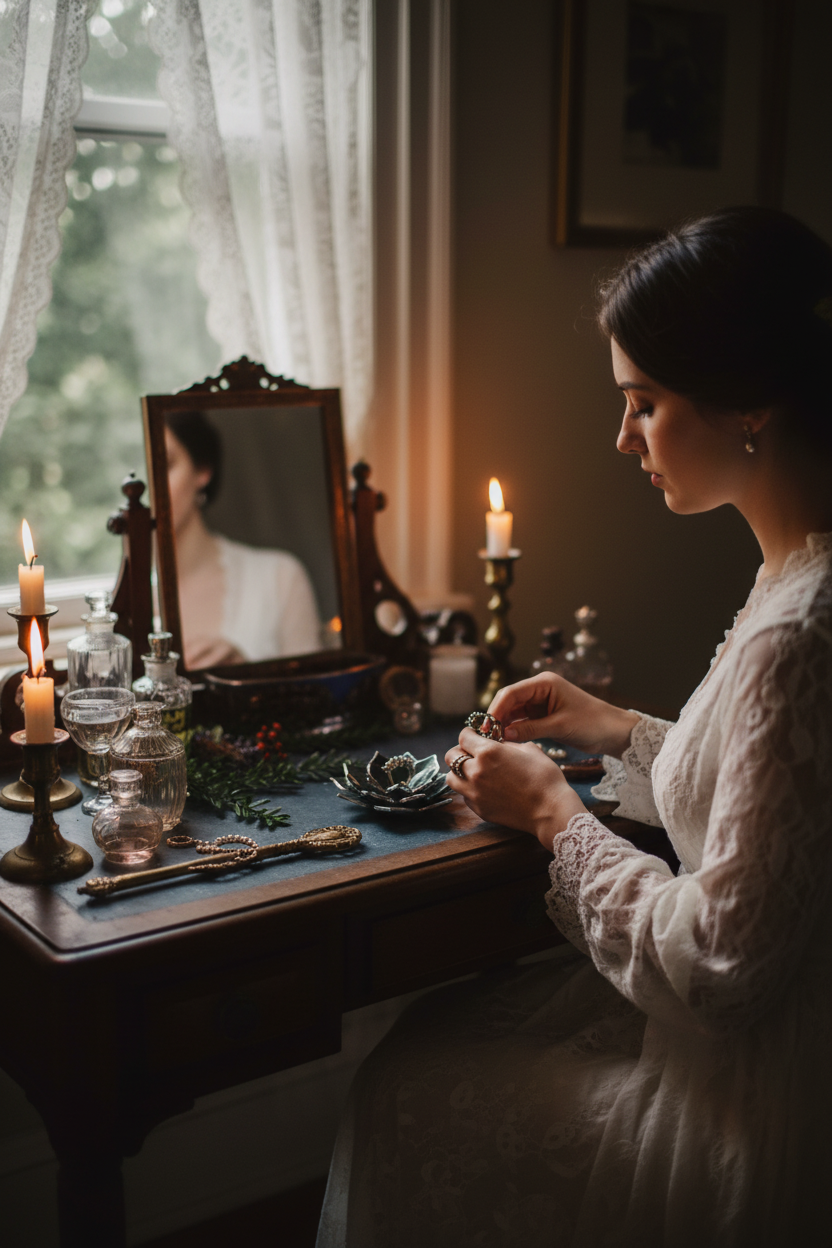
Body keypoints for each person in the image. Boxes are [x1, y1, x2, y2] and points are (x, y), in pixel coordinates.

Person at [315, 207, 832, 1247]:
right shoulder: (794, 573)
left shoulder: (800, 632)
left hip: (751, 1105)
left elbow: (719, 967)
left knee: (404, 1083)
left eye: (642, 404)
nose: (621, 437)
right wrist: (616, 730)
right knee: (427, 1035)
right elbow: (773, 809)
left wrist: (554, 813)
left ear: (746, 404)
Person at [165, 411, 322, 669]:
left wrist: (247, 679)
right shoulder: (126, 608)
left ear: (202, 471)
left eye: (167, 465)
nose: (149, 488)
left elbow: (317, 700)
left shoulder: (280, 577)